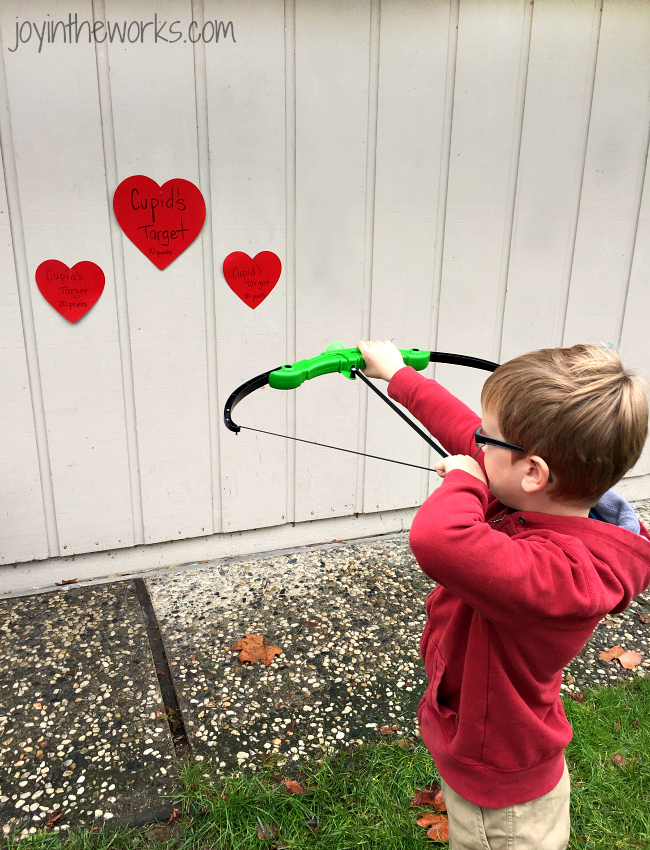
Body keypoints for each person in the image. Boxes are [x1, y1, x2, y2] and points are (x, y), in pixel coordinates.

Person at [357, 339, 650, 850]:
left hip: (504, 795)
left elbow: (439, 540)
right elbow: (466, 431)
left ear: (533, 472)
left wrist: (463, 485)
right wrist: (400, 377)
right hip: (486, 741)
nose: (476, 446)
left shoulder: (563, 575)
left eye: (486, 441)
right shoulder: (549, 497)